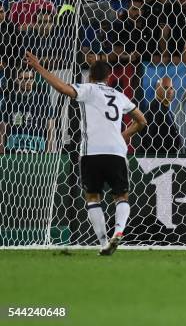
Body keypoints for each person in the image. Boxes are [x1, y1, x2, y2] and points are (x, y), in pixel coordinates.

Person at [25, 52, 147, 255]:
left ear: (90, 76)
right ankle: (118, 232)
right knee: (121, 195)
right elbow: (142, 121)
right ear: (109, 78)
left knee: (92, 197)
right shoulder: (119, 95)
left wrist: (38, 68)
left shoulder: (87, 89)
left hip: (92, 153)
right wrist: (122, 135)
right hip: (116, 152)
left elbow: (63, 88)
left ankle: (102, 242)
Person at [0, 69, 55, 154]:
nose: (28, 81)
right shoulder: (9, 101)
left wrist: (48, 151)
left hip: (37, 152)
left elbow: (50, 128)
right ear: (17, 80)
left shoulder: (43, 100)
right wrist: (2, 150)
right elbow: (2, 129)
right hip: (14, 151)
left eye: (31, 78)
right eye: (25, 78)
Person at [137, 77, 182, 155]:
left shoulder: (164, 108)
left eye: (171, 88)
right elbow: (148, 136)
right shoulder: (154, 107)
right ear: (157, 88)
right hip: (158, 159)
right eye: (166, 88)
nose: (169, 91)